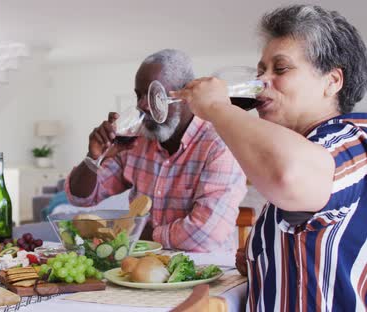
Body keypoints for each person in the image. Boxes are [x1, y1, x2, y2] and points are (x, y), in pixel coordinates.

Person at [173, 5, 367, 310]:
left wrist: (217, 108)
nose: (262, 81)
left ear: (332, 81)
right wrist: (262, 258)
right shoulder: (300, 146)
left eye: (280, 69)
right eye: (261, 70)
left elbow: (288, 175)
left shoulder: (354, 139)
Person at [66, 49, 247, 252]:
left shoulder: (220, 144)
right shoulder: (135, 141)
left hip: (208, 273)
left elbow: (205, 235)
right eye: (138, 95)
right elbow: (81, 198)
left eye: (153, 95)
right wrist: (93, 159)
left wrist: (136, 231)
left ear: (185, 95)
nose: (142, 105)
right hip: (140, 270)